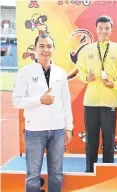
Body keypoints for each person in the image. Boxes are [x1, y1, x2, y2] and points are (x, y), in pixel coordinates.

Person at [12, 34, 73, 192]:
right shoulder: (24, 72)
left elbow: (66, 101)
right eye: (42, 46)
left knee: (56, 174)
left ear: (53, 49)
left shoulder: (60, 73)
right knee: (33, 175)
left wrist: (69, 127)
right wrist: (39, 100)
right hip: (35, 132)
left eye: (49, 46)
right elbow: (17, 100)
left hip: (58, 131)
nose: (46, 50)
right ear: (35, 49)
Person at [77, 15, 117, 172]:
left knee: (109, 139)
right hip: (91, 101)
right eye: (101, 28)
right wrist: (87, 77)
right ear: (96, 29)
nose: (104, 31)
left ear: (111, 29)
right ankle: (90, 170)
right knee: (91, 139)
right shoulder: (87, 49)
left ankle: (107, 171)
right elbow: (80, 71)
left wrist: (115, 84)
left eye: (107, 28)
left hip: (110, 101)